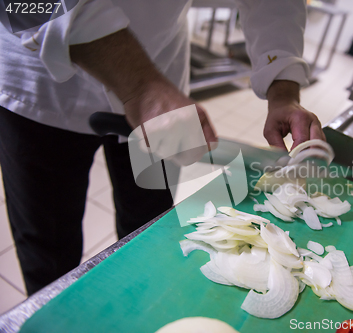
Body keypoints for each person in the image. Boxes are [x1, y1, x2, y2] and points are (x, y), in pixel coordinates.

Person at [0, 0, 325, 295]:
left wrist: (283, 89)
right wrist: (139, 85)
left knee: (147, 226)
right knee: (50, 251)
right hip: (39, 82)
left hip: (160, 70)